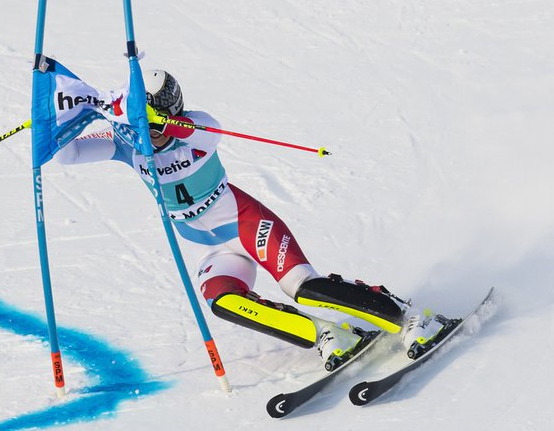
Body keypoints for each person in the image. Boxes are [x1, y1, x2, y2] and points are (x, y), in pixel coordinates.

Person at [57, 69, 448, 370]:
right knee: (224, 301)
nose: (152, 136)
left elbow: (202, 133)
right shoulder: (128, 143)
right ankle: (327, 334)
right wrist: (54, 120)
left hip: (246, 224)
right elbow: (68, 155)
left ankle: (410, 317)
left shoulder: (198, 126)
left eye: (158, 123)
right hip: (209, 245)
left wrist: (150, 119)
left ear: (172, 113)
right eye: (145, 126)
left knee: (303, 287)